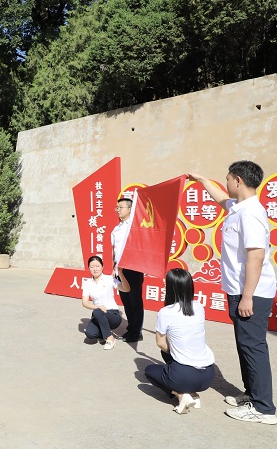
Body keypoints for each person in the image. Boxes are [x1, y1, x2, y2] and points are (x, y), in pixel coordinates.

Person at [189, 162, 277, 424]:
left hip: (251, 292)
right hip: (240, 290)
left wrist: (247, 296)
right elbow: (221, 199)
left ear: (238, 180)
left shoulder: (250, 214)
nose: (225, 183)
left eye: (227, 178)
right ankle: (252, 394)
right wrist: (202, 180)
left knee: (253, 347)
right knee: (245, 345)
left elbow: (256, 256)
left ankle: (264, 408)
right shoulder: (239, 207)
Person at [144, 269, 215, 414]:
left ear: (171, 288)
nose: (164, 284)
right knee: (166, 354)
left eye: (166, 283)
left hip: (185, 376)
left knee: (149, 371)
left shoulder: (166, 312)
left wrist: (178, 352)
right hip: (208, 375)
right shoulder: (198, 307)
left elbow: (160, 343)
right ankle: (192, 393)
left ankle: (181, 395)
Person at [111, 197, 145, 342]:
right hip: (119, 269)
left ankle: (136, 332)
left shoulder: (135, 226)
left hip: (133, 268)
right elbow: (114, 250)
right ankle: (130, 328)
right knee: (126, 300)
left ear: (130, 209)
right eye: (117, 208)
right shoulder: (116, 229)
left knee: (135, 300)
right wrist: (113, 267)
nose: (118, 210)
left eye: (121, 207)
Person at [81, 255, 121, 350]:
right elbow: (85, 303)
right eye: (92, 267)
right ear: (89, 268)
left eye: (97, 266)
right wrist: (97, 307)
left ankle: (110, 338)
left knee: (97, 312)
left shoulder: (109, 279)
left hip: (113, 315)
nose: (95, 269)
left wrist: (121, 274)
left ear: (102, 267)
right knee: (90, 334)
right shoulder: (87, 283)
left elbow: (126, 289)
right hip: (98, 314)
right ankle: (104, 332)